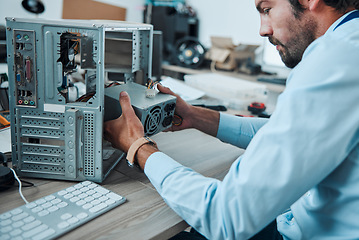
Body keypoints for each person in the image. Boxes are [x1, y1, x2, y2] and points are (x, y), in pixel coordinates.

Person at [104, 0, 359, 238]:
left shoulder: (333, 59)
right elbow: (291, 134)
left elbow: (225, 218)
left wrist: (138, 147)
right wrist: (196, 116)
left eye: (266, 9)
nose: (263, 29)